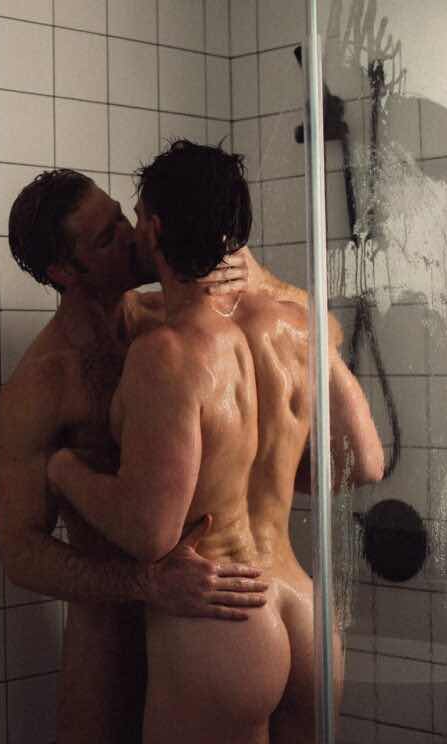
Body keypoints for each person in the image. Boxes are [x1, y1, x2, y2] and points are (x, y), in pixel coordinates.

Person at [47, 141, 384, 743]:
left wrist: (66, 471)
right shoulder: (293, 326)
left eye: (136, 218)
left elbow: (149, 531)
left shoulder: (168, 353)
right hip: (305, 610)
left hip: (224, 617)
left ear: (155, 229)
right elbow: (366, 461)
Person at [0, 167, 304, 744]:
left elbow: (306, 328)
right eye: (106, 238)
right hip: (110, 638)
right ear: (65, 272)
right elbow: (21, 553)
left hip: (202, 622)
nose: (132, 237)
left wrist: (261, 278)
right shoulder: (46, 382)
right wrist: (146, 584)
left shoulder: (171, 321)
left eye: (121, 218)